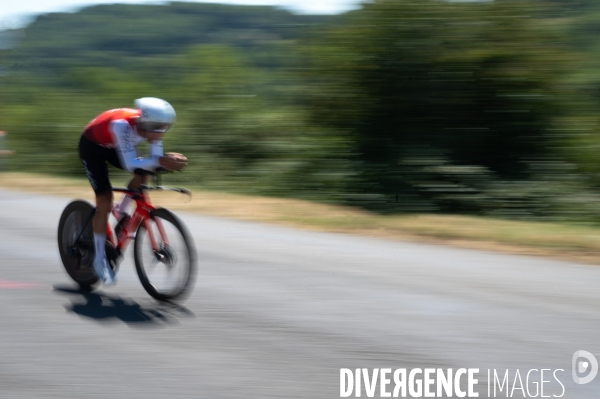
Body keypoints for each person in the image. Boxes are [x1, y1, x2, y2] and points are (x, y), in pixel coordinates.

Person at [79, 97, 188, 285]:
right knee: (104, 200)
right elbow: (131, 164)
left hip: (115, 145)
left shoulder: (152, 129)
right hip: (92, 146)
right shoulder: (122, 126)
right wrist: (160, 160)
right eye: (156, 126)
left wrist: (161, 161)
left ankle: (121, 209)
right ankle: (99, 259)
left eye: (165, 127)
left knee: (146, 171)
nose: (160, 133)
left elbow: (152, 161)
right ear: (143, 122)